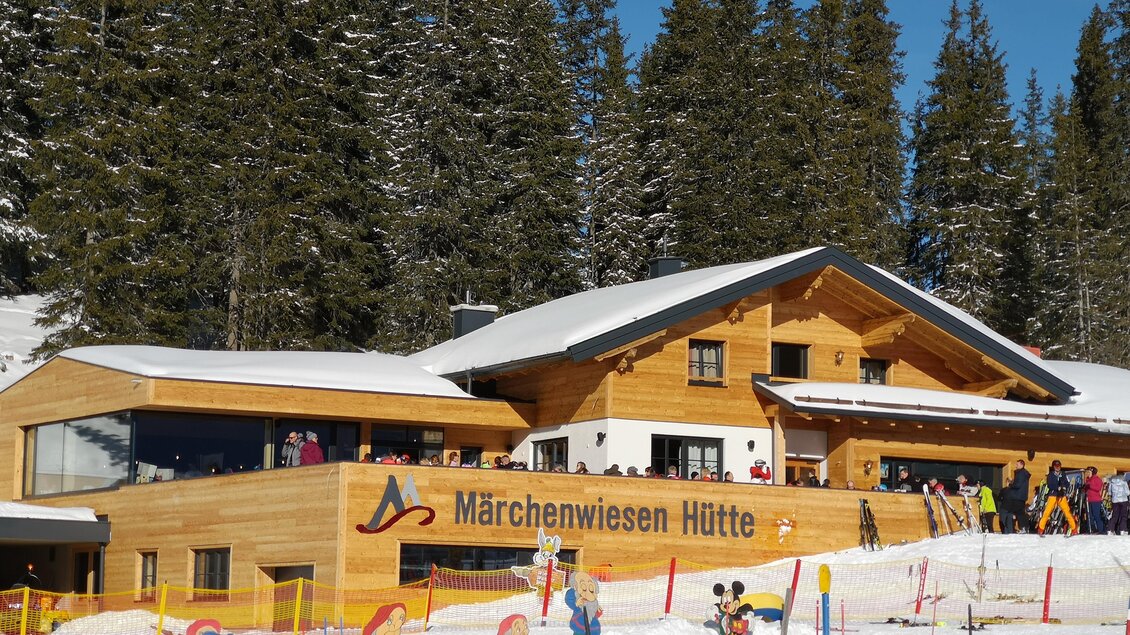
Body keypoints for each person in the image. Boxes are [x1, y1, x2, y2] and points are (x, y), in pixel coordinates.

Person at [1037, 460, 1077, 536]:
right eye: (1056, 466)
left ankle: (1074, 529)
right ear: (1053, 467)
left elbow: (1067, 483)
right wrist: (1057, 488)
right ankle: (1041, 529)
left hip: (1062, 496)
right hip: (1053, 495)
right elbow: (1049, 485)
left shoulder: (1063, 474)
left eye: (1059, 466)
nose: (1057, 468)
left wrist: (1064, 487)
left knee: (1067, 512)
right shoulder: (1050, 475)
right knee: (1047, 512)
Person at [1008, 460, 1032, 533]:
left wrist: (1011, 484)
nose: (1016, 466)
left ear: (1022, 465)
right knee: (1020, 512)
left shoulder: (1021, 473)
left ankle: (1022, 527)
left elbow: (1018, 484)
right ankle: (1023, 527)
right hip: (1021, 496)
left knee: (1018, 513)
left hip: (1018, 496)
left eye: (1017, 464)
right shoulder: (1023, 474)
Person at [1084, 466, 1106, 534]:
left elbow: (1098, 488)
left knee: (1096, 515)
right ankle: (1091, 529)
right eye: (1087, 472)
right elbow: (1086, 489)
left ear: (1093, 472)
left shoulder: (1097, 479)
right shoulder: (1087, 479)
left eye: (1089, 472)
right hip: (1088, 500)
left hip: (1095, 500)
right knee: (1089, 516)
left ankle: (1101, 530)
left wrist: (1090, 486)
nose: (1088, 473)